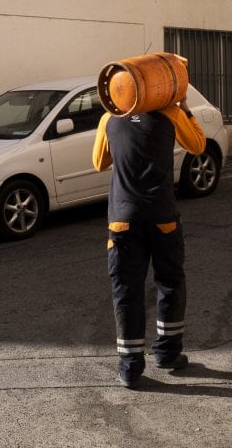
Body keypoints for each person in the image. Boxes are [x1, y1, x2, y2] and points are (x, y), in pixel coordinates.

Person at [92, 89, 206, 389]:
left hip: (123, 219)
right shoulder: (171, 113)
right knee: (169, 281)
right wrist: (185, 108)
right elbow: (197, 145)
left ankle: (130, 368)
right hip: (163, 216)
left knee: (127, 290)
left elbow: (99, 162)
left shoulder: (109, 118)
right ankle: (167, 354)